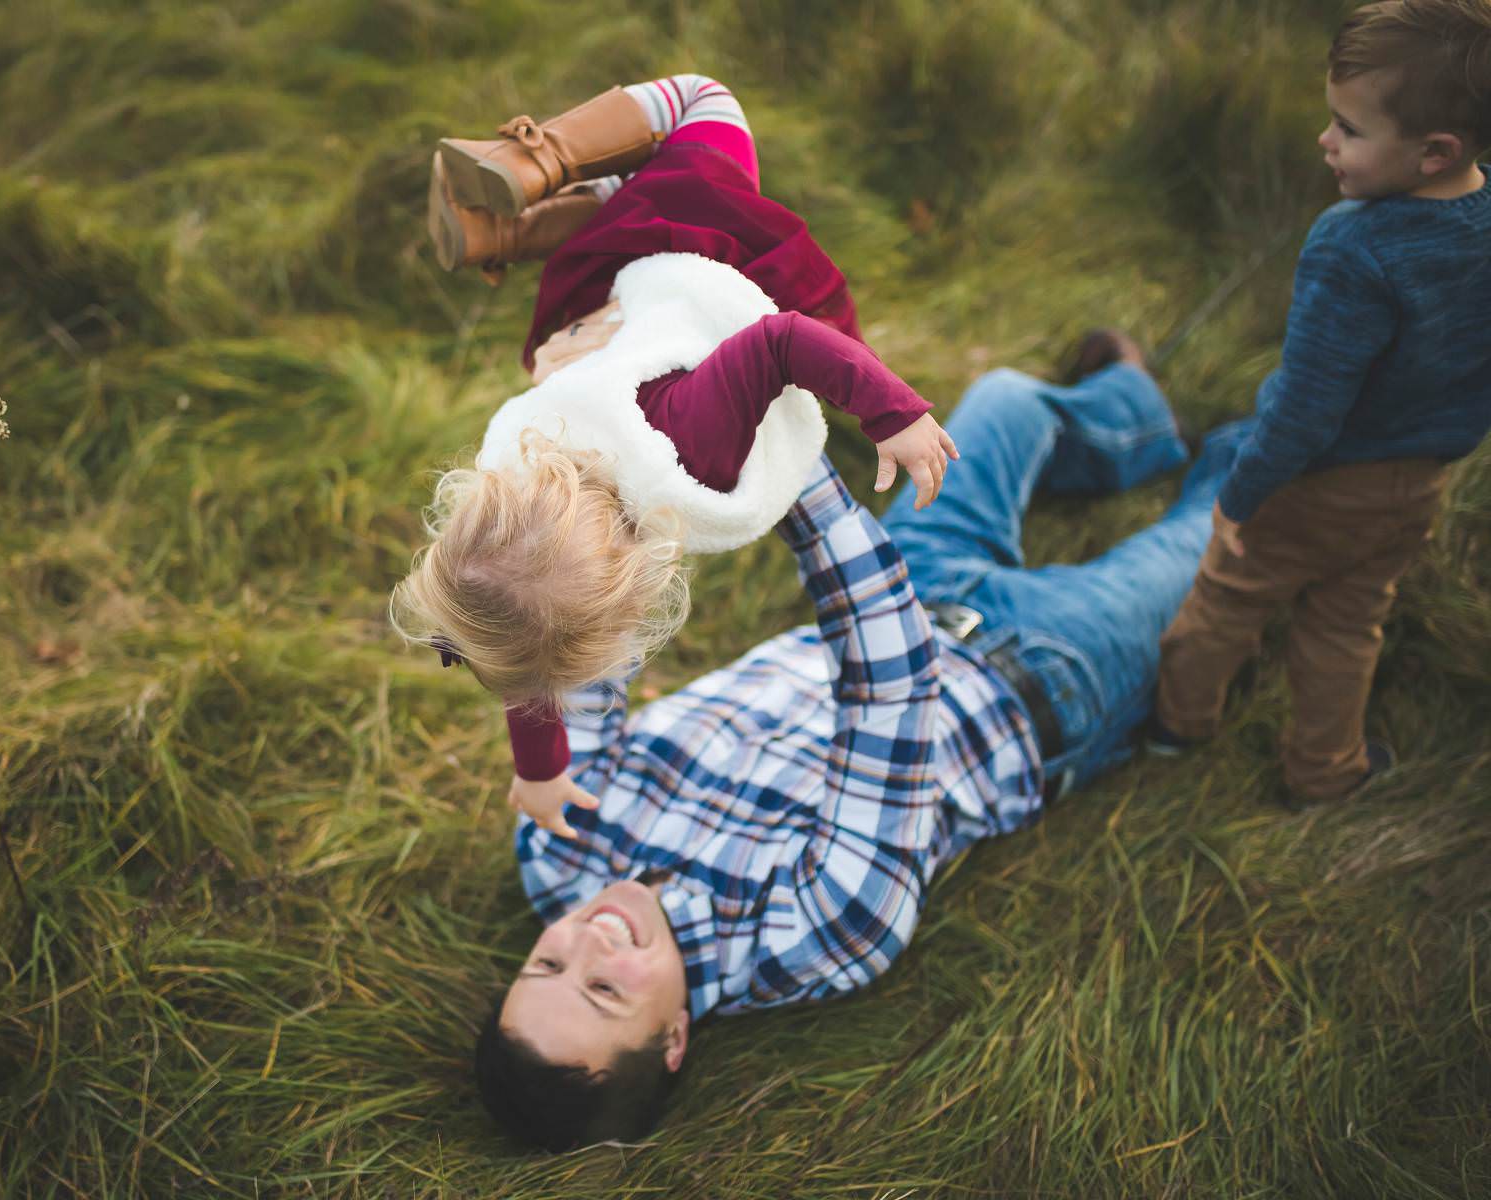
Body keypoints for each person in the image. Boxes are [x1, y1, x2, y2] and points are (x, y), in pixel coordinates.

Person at [474, 343, 1247, 1152]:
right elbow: (891, 685)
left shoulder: (556, 851)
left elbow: (589, 651)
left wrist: (607, 488)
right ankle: (1286, 429)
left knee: (1006, 399)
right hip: (1039, 675)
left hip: (907, 575)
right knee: (1234, 518)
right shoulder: (820, 934)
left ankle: (1137, 417)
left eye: (546, 966)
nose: (587, 938)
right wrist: (785, 458)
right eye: (603, 989)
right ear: (673, 1038)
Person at [394, 77, 957, 843]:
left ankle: (537, 163)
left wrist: (892, 414)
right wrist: (538, 770)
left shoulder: (690, 450)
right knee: (640, 176)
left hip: (702, 243)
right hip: (596, 296)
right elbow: (525, 658)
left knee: (706, 102)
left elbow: (783, 339)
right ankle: (553, 217)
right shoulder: (511, 500)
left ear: (635, 588)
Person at [1151, 0, 1491, 804]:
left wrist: (1241, 495)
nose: (1324, 140)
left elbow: (1305, 408)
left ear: (1435, 152)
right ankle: (1325, 771)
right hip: (1417, 484)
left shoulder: (1353, 246)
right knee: (1347, 623)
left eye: (1349, 128)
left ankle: (1178, 725)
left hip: (1317, 480)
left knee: (1227, 596)